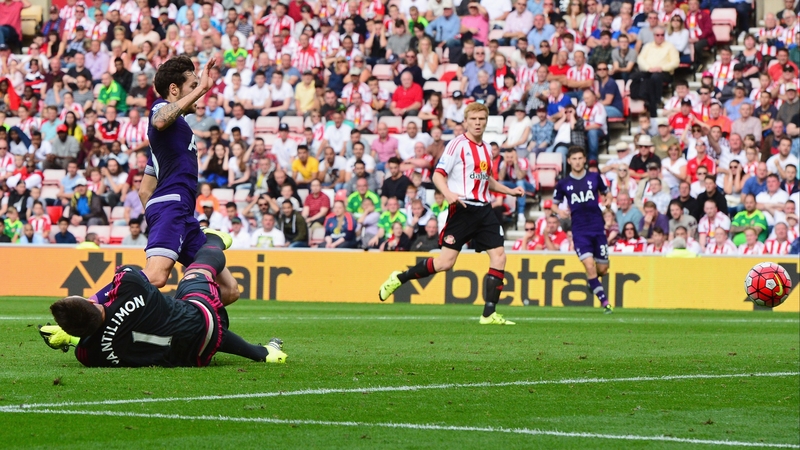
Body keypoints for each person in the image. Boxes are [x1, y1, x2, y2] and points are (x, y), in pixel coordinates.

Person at [378, 103, 524, 325]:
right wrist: (447, 194)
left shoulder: (486, 148)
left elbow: (487, 180)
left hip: (484, 209)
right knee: (445, 263)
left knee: (499, 256)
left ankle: (489, 314)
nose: (477, 123)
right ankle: (399, 277)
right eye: (473, 119)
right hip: (462, 208)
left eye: (481, 119)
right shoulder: (456, 145)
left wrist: (509, 190)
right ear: (465, 121)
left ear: (486, 122)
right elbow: (438, 175)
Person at [39, 236, 287, 366]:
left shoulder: (85, 354)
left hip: (194, 358)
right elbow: (142, 276)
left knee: (230, 292)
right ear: (91, 303)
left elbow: (94, 337)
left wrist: (71, 335)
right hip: (203, 317)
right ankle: (213, 239)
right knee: (197, 271)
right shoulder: (129, 286)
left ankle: (261, 352)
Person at [135, 55, 239, 305]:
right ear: (174, 89)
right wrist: (164, 216)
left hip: (182, 216)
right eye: (192, 86)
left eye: (198, 88)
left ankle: (174, 320)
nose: (199, 93)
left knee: (229, 289)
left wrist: (157, 216)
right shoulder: (160, 109)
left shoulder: (173, 136)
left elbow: (144, 191)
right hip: (172, 207)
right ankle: (94, 309)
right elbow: (160, 119)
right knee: (157, 276)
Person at [551, 146, 613, 313]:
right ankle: (605, 302)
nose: (577, 162)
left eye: (580, 158)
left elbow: (607, 193)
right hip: (579, 230)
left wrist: (608, 201)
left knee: (602, 269)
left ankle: (591, 282)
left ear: (584, 159)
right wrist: (560, 212)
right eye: (574, 159)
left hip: (598, 227)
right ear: (569, 161)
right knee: (589, 265)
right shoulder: (563, 183)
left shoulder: (595, 177)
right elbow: (553, 205)